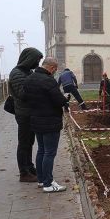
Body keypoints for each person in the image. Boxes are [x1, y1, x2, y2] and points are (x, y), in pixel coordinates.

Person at [24, 57, 69, 193]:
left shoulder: (29, 78)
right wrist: (65, 99)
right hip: (50, 121)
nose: (54, 72)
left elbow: (25, 97)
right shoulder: (48, 81)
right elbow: (58, 100)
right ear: (52, 68)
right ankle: (48, 184)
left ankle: (41, 179)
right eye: (54, 69)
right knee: (49, 152)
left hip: (36, 120)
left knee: (41, 150)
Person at [8, 47, 43, 182]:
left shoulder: (27, 72)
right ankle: (24, 172)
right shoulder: (17, 73)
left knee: (29, 142)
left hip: (30, 113)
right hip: (24, 114)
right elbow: (23, 94)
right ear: (29, 59)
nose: (37, 64)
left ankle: (29, 167)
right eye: (36, 60)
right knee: (24, 143)